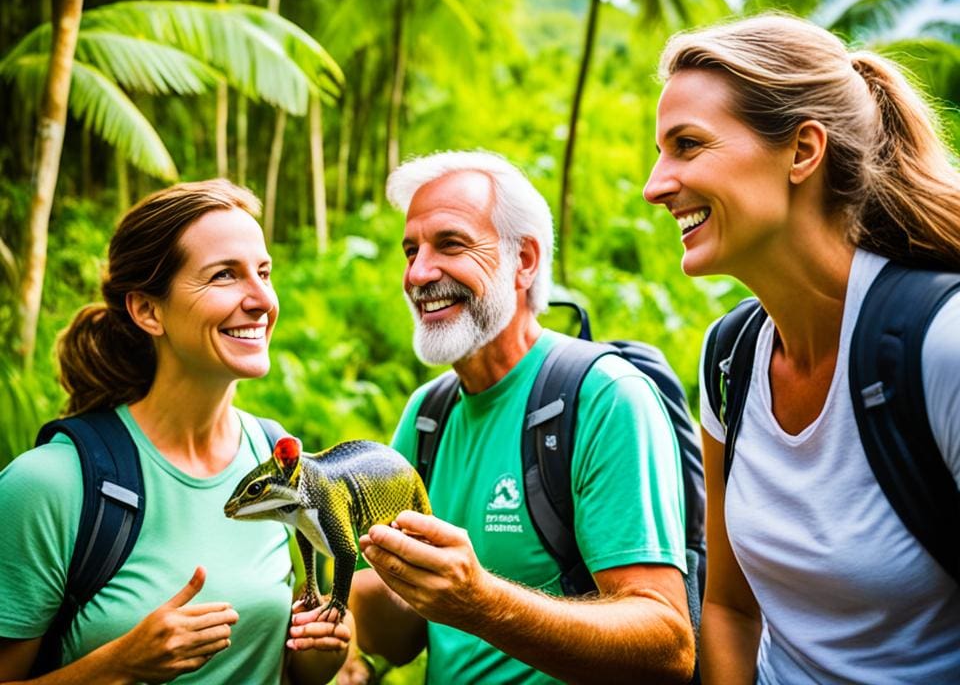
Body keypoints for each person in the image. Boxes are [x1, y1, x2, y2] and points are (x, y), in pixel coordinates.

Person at [290, 150, 695, 684]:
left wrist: (479, 600)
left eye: (450, 244)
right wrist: (347, 609)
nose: (419, 272)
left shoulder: (604, 397)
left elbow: (666, 647)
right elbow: (402, 638)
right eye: (410, 250)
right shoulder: (428, 414)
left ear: (523, 260)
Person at [643, 13, 960, 684]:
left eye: (688, 145)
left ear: (803, 151)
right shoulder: (730, 357)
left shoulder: (942, 345)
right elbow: (729, 608)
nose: (655, 184)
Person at [0, 179, 349, 684]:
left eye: (264, 272)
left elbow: (287, 672)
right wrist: (118, 665)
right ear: (147, 310)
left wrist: (322, 651)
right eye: (224, 276)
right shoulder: (49, 486)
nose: (261, 299)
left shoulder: (276, 459)